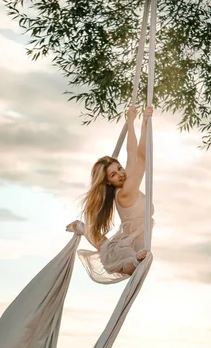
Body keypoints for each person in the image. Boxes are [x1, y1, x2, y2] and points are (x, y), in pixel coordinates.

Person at [66, 105, 154, 279]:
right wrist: (140, 123)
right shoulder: (125, 192)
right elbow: (141, 159)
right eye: (114, 174)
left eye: (119, 168)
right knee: (130, 264)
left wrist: (135, 122)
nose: (121, 174)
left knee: (106, 246)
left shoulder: (124, 184)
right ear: (108, 181)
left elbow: (132, 154)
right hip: (130, 250)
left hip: (128, 241)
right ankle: (135, 260)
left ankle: (82, 228)